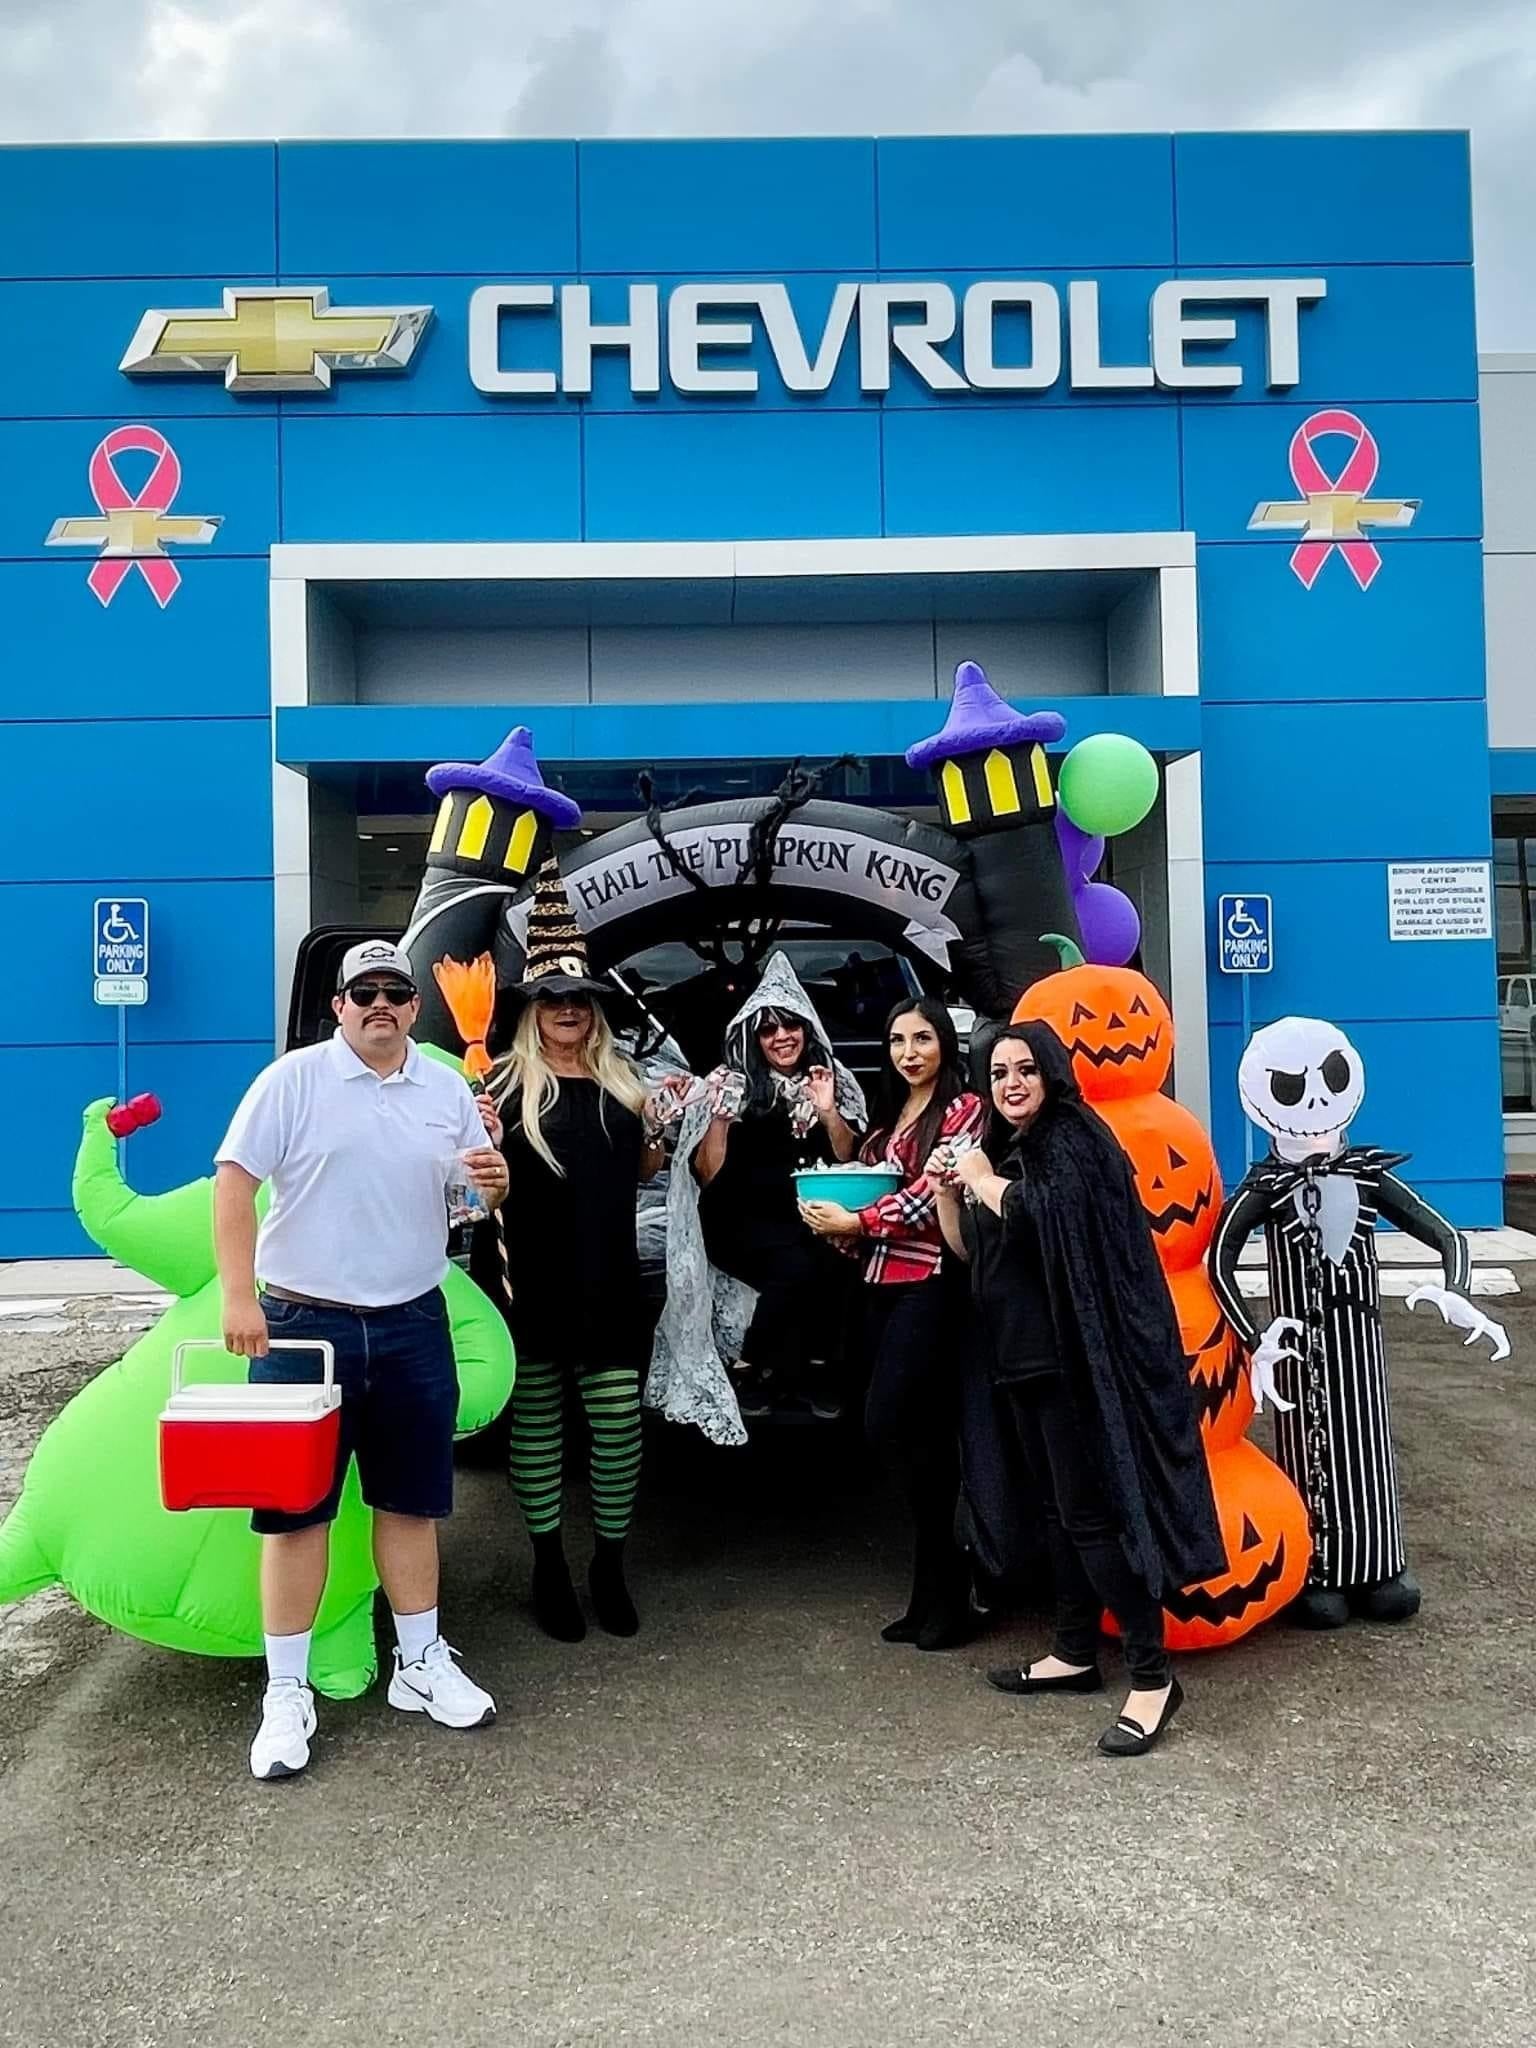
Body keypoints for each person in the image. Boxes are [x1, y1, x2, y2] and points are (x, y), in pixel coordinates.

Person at [215, 939, 511, 1783]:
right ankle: (285, 1690)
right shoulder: (292, 1080)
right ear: (337, 1006)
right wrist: (240, 1299)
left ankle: (420, 1665)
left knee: (410, 1504)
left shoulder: (445, 1087)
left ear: (416, 1007)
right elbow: (233, 1182)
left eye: (396, 991)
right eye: (363, 992)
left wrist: (492, 1186)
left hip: (416, 1320)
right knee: (294, 1515)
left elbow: (467, 1197)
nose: (380, 1004)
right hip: (302, 1328)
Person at [929, 1018, 1225, 1757]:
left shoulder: (1072, 1139)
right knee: (1058, 1514)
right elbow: (976, 1251)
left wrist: (982, 1180)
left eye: (1026, 1069)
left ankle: (1153, 1677)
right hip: (1020, 1359)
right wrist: (948, 1195)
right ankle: (1072, 1651)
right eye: (999, 1074)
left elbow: (1048, 1217)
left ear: (1052, 1073)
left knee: (1091, 1518)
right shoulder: (1007, 1150)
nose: (1013, 1084)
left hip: (1074, 1364)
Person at [479, 863, 667, 1643]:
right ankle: (549, 1562)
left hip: (607, 1280)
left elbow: (649, 1172)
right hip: (530, 1282)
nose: (566, 1010)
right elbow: (473, 1200)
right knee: (539, 1426)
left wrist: (666, 1133)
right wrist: (481, 1160)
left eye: (579, 1001)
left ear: (595, 1013)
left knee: (619, 1422)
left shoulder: (628, 1085)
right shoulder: (496, 1086)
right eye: (552, 1000)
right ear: (534, 1012)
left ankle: (609, 1564)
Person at [800, 997, 985, 1650]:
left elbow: (921, 1197)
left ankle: (957, 1589)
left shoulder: (963, 1110)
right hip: (877, 1286)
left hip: (930, 1286)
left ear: (945, 1045)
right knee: (907, 1440)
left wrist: (860, 1223)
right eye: (898, 1040)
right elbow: (869, 1177)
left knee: (901, 1428)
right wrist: (840, 1225)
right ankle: (931, 1597)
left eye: (923, 1039)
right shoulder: (889, 1116)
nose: (909, 1052)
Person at [686, 953, 863, 1419]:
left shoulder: (832, 1080)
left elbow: (849, 1156)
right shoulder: (731, 1083)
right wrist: (720, 1119)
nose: (782, 1037)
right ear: (754, 1038)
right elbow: (707, 1175)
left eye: (790, 1026)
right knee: (797, 1264)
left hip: (809, 1214)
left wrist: (827, 1109)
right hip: (740, 1220)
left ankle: (817, 1370)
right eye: (769, 1030)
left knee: (835, 1258)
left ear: (806, 1029)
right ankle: (752, 1364)